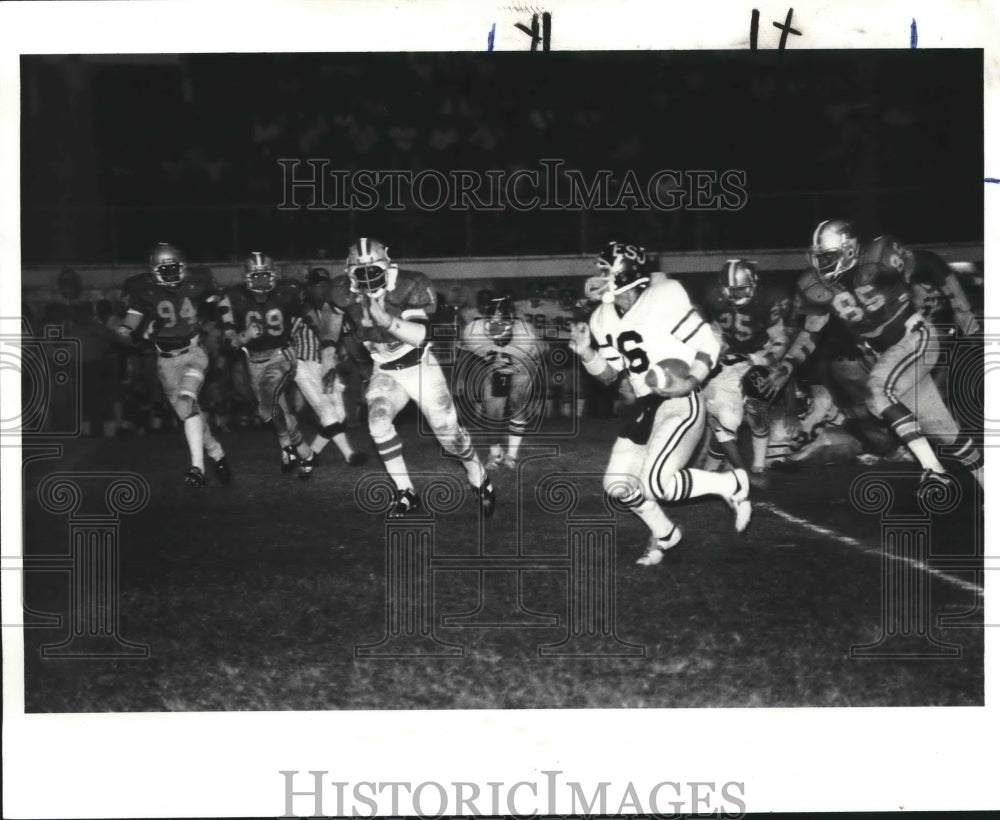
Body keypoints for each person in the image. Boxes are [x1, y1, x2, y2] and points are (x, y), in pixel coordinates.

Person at [763, 220, 984, 495]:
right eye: (818, 257)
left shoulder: (878, 260)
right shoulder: (814, 287)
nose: (821, 265)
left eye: (828, 257)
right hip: (891, 357)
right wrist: (786, 365)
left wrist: (961, 309)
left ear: (850, 250)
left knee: (878, 392)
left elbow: (930, 263)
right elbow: (811, 334)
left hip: (914, 336)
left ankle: (934, 471)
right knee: (943, 428)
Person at [570, 241, 752, 568]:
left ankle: (732, 483)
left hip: (678, 399)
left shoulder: (664, 294)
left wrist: (691, 380)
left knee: (656, 482)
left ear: (626, 274)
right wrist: (587, 354)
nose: (598, 278)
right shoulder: (601, 318)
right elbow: (612, 376)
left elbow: (707, 342)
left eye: (605, 271)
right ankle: (665, 533)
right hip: (645, 407)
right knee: (617, 486)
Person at [318, 238, 496, 518]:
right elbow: (331, 314)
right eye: (360, 273)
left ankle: (477, 472)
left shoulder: (411, 284)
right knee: (376, 422)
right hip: (385, 370)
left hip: (420, 366)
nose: (366, 279)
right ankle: (406, 492)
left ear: (386, 267)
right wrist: (329, 345)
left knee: (451, 439)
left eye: (373, 271)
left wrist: (387, 321)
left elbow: (421, 334)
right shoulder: (341, 289)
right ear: (349, 271)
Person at [119, 242, 230, 486]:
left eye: (174, 269)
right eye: (164, 270)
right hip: (166, 362)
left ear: (183, 267)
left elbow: (222, 300)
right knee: (190, 414)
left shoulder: (196, 282)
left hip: (193, 353)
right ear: (154, 271)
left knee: (187, 400)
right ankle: (216, 453)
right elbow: (130, 324)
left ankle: (197, 469)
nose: (171, 275)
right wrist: (129, 332)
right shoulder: (144, 291)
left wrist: (227, 324)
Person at [219, 252, 316, 479]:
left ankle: (287, 447)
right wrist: (245, 336)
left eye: (265, 276)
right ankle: (306, 454)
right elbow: (228, 341)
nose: (262, 281)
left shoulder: (287, 291)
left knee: (266, 398)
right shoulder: (233, 297)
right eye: (256, 276)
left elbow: (310, 312)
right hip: (254, 360)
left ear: (274, 275)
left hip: (282, 354)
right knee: (271, 411)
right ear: (246, 277)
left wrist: (322, 333)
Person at [701, 259, 792, 487]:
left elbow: (780, 340)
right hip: (730, 364)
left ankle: (758, 467)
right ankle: (712, 467)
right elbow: (716, 331)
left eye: (742, 288)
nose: (736, 294)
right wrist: (716, 350)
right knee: (727, 418)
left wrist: (761, 360)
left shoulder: (768, 300)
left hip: (757, 359)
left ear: (753, 284)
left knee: (755, 411)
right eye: (731, 289)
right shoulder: (714, 298)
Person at [458, 294, 544, 469]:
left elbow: (541, 353)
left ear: (512, 320)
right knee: (493, 411)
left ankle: (511, 454)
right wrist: (487, 365)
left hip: (522, 365)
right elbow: (465, 351)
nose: (497, 327)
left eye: (502, 323)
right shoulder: (473, 332)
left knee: (516, 402)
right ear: (485, 321)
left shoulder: (526, 335)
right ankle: (495, 453)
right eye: (493, 323)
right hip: (494, 367)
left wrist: (518, 368)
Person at [294, 267, 366, 466]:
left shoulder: (334, 309)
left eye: (326, 285)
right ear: (310, 288)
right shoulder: (301, 308)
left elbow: (346, 337)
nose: (323, 289)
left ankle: (312, 454)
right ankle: (349, 454)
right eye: (318, 285)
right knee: (326, 412)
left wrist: (358, 362)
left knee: (340, 415)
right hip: (304, 364)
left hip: (327, 366)